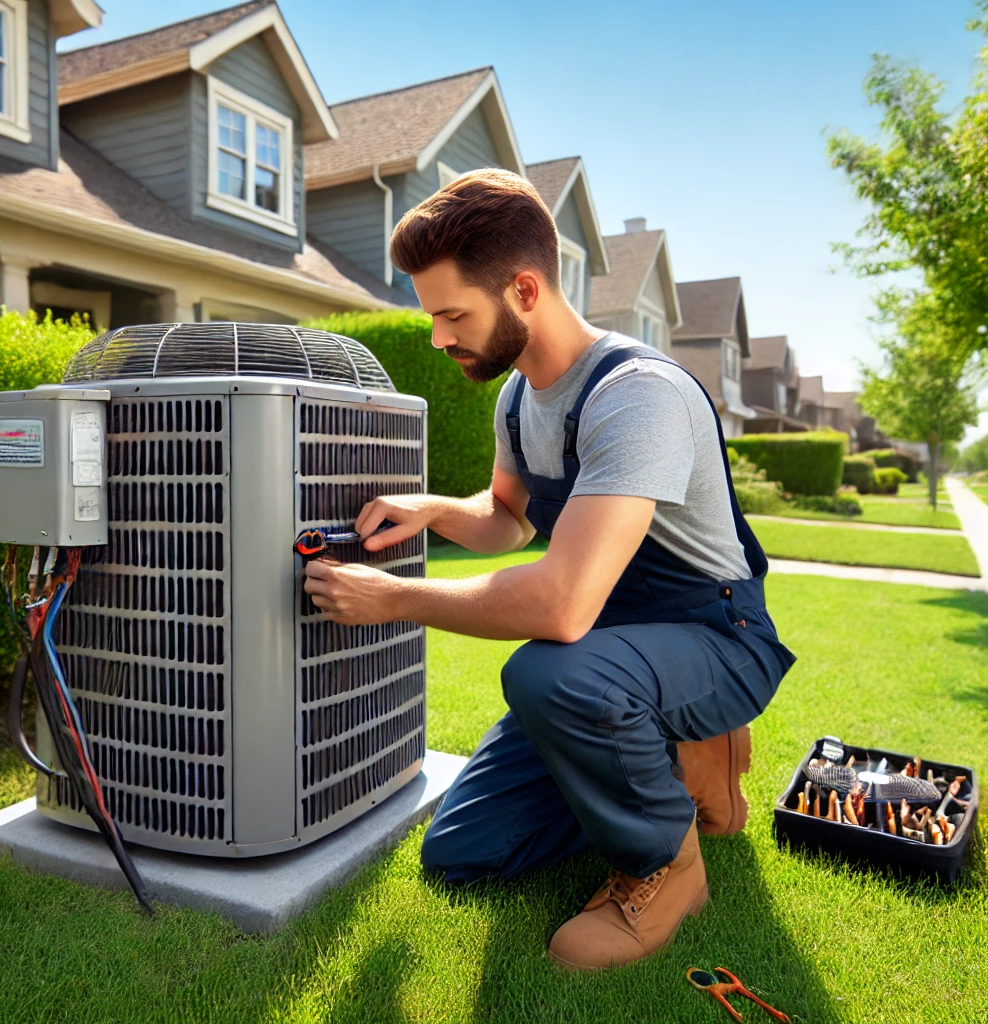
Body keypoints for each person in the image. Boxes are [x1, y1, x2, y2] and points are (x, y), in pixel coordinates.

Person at [304, 168, 796, 971]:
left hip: (714, 640)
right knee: (462, 853)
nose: (437, 337)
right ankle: (671, 759)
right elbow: (507, 519)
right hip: (615, 654)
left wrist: (395, 599)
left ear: (524, 289)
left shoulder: (636, 396)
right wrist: (434, 509)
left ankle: (664, 869)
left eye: (452, 314)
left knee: (552, 677)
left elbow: (564, 606)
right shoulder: (520, 399)